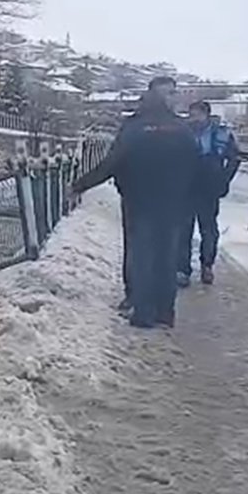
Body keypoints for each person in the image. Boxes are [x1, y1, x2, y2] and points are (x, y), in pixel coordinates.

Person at [73, 76, 200, 328]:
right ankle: (165, 312)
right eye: (169, 93)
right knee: (166, 257)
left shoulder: (135, 127)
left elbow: (113, 163)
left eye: (172, 92)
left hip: (139, 202)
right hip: (172, 205)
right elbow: (196, 166)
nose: (171, 97)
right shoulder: (182, 129)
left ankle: (142, 312)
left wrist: (80, 185)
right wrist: (191, 199)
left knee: (142, 255)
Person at [178, 101, 240, 286]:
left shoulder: (221, 134)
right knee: (183, 230)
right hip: (186, 187)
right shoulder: (182, 132)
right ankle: (182, 269)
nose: (194, 119)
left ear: (206, 115)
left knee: (209, 229)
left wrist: (224, 180)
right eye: (191, 115)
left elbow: (234, 158)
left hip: (209, 189)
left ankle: (207, 265)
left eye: (197, 115)